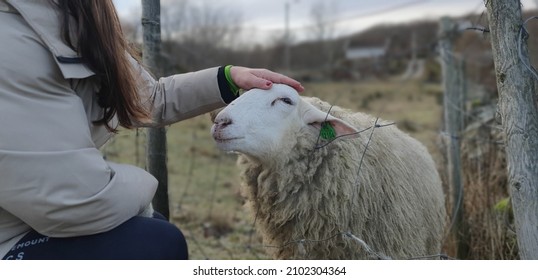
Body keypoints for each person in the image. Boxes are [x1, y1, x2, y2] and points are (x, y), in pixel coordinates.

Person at [0, 0, 304, 260]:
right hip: (16, 230)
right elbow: (74, 202)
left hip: (34, 214)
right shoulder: (12, 39)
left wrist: (227, 78)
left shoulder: (68, 18)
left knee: (152, 232)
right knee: (157, 243)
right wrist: (144, 192)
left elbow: (149, 97)